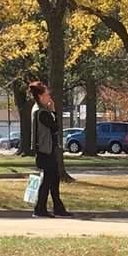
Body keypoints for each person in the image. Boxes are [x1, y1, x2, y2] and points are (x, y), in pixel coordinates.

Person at [29, 80, 73, 217]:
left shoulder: (39, 110)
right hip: (45, 150)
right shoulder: (42, 112)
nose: (49, 97)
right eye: (47, 95)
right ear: (41, 96)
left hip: (46, 149)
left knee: (54, 180)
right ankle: (40, 209)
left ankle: (58, 208)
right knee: (48, 180)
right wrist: (54, 111)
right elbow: (55, 127)